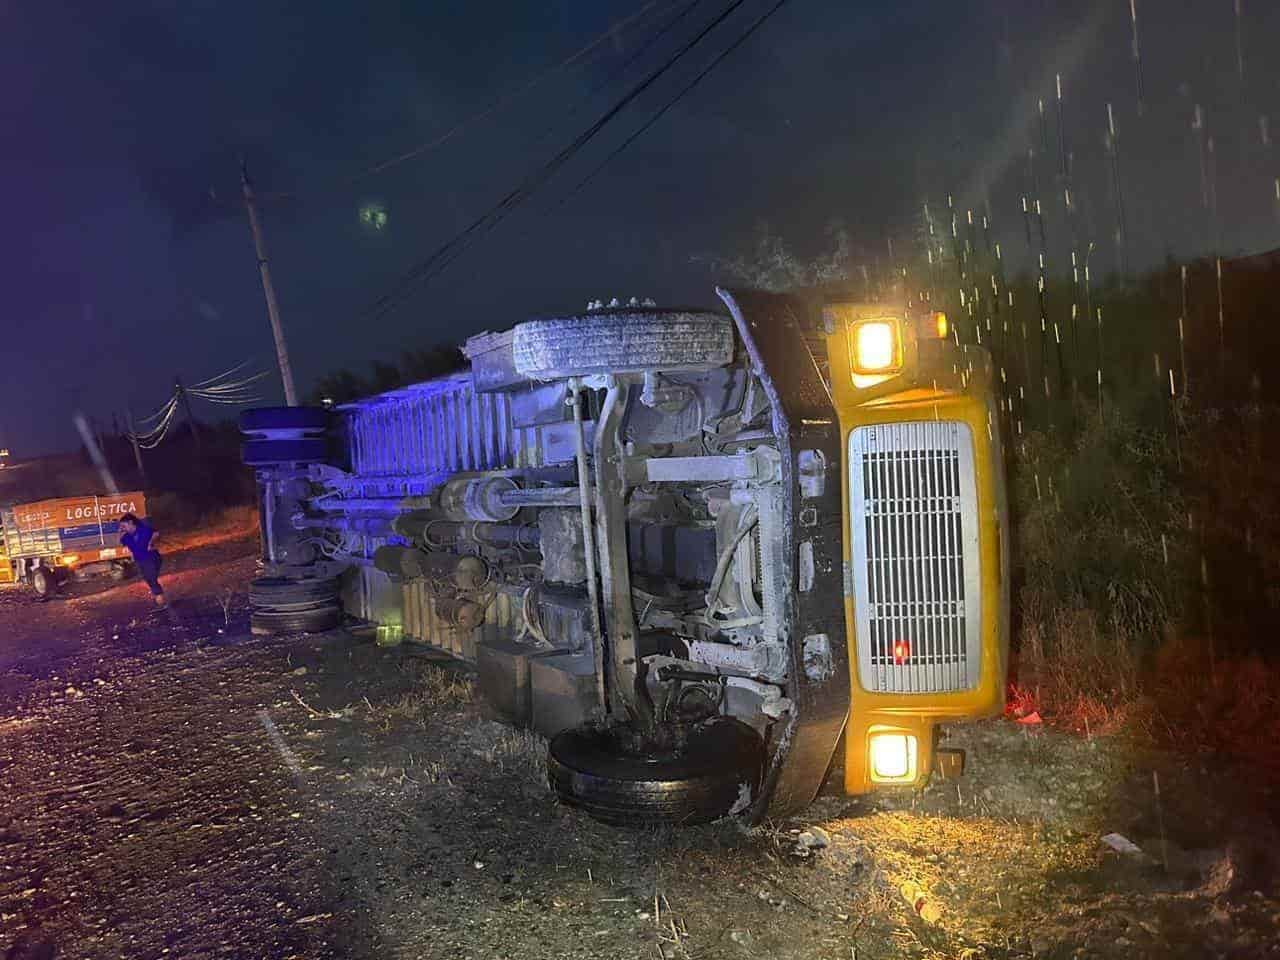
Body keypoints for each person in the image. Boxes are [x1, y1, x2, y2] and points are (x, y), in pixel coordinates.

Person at [119, 513, 166, 607]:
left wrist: (151, 542)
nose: (122, 528)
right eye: (121, 526)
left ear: (131, 523)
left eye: (124, 526)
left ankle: (160, 601)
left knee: (151, 578)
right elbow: (125, 545)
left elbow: (156, 533)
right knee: (148, 579)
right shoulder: (126, 537)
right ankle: (159, 599)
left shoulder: (143, 530)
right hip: (140, 561)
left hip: (151, 558)